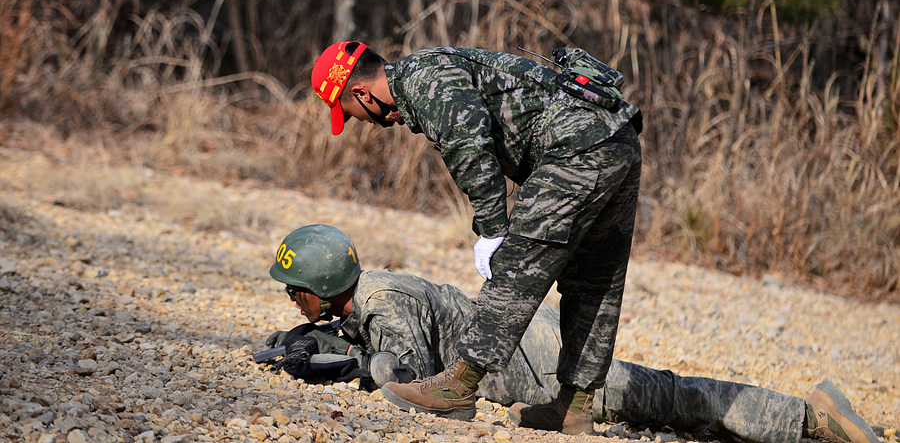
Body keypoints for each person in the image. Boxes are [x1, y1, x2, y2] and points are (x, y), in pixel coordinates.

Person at [262, 225, 880, 443]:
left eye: (296, 287)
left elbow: (403, 377)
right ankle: (799, 420)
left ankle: (809, 418)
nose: (294, 298)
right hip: (539, 348)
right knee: (666, 404)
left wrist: (342, 365)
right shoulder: (369, 294)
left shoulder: (381, 301)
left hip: (548, 364)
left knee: (667, 398)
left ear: (322, 279)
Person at [310, 41, 643, 434]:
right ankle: (575, 405)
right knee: (594, 280)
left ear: (361, 93)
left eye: (350, 114)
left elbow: (470, 146)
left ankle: (459, 385)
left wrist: (492, 229)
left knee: (517, 267)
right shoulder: (432, 68)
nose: (361, 122)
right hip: (617, 141)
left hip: (576, 149)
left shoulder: (423, 81)